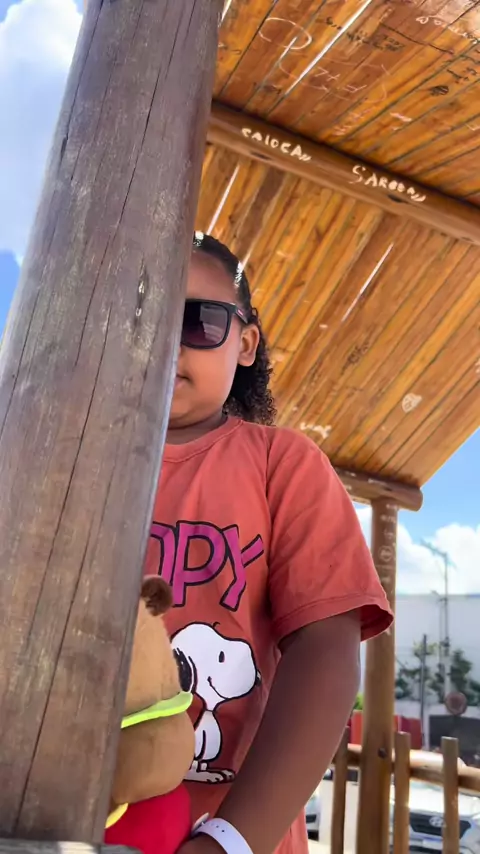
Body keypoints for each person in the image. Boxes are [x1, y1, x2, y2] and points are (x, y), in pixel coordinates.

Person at [143, 232, 393, 854]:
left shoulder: (283, 465)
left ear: (246, 343)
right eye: (139, 310)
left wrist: (228, 842)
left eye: (198, 321)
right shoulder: (57, 462)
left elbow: (325, 651)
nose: (164, 338)